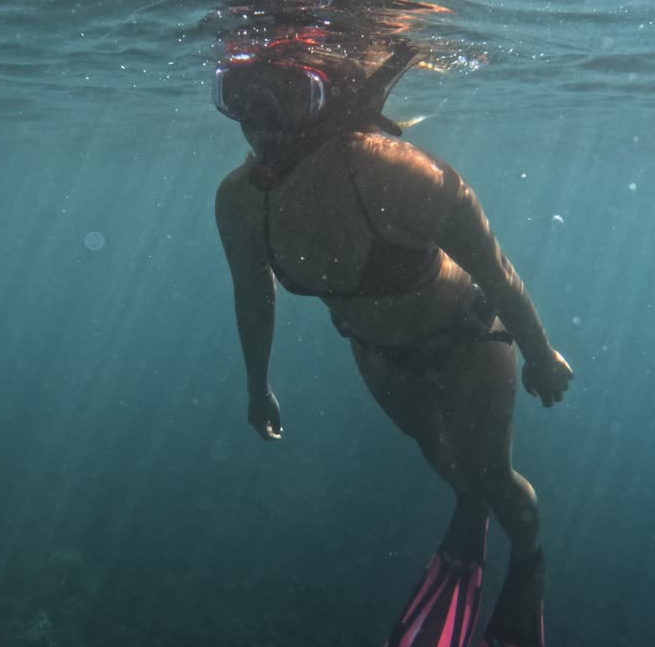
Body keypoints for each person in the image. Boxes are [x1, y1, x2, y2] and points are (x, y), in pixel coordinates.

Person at [213, 38, 573, 647]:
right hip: (378, 353)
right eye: (242, 96)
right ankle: (469, 511)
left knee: (491, 472)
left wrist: (540, 354)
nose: (262, 118)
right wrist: (257, 386)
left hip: (468, 336)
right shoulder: (240, 202)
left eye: (288, 95)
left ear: (326, 100)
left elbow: (494, 269)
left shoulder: (396, 173)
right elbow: (253, 296)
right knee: (439, 455)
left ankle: (527, 565)